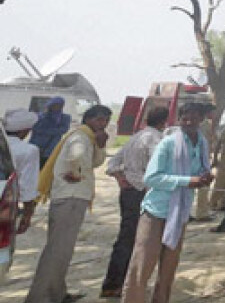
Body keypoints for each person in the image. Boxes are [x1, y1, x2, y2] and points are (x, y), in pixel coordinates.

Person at [122, 103, 215, 303]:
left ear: (201, 119)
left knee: (168, 269)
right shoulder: (168, 143)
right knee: (142, 266)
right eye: (185, 117)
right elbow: (151, 178)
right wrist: (187, 181)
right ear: (179, 119)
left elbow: (199, 170)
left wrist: (204, 177)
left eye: (194, 116)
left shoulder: (202, 143)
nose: (189, 120)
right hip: (156, 211)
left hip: (180, 211)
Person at [25, 104, 111, 303]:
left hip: (74, 197)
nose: (103, 124)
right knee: (57, 251)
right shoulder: (80, 136)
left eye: (105, 120)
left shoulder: (89, 137)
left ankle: (56, 293)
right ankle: (40, 297)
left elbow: (95, 162)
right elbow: (77, 155)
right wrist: (76, 172)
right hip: (71, 197)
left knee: (63, 250)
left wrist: (101, 145)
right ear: (88, 119)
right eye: (99, 119)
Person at [101, 106, 169, 298]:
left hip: (128, 192)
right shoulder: (157, 140)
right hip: (144, 193)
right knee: (139, 241)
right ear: (164, 121)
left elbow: (112, 164)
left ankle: (113, 283)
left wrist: (121, 178)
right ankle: (125, 285)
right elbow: (158, 169)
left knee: (125, 237)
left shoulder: (135, 137)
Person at [3, 109, 41, 235]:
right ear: (24, 131)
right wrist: (27, 215)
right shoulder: (28, 150)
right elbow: (27, 186)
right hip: (5, 205)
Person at [29, 96, 72, 166]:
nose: (56, 107)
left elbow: (63, 130)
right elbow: (35, 128)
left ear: (62, 106)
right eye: (54, 105)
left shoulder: (65, 117)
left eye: (59, 105)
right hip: (35, 145)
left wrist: (45, 131)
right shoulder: (41, 116)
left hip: (51, 147)